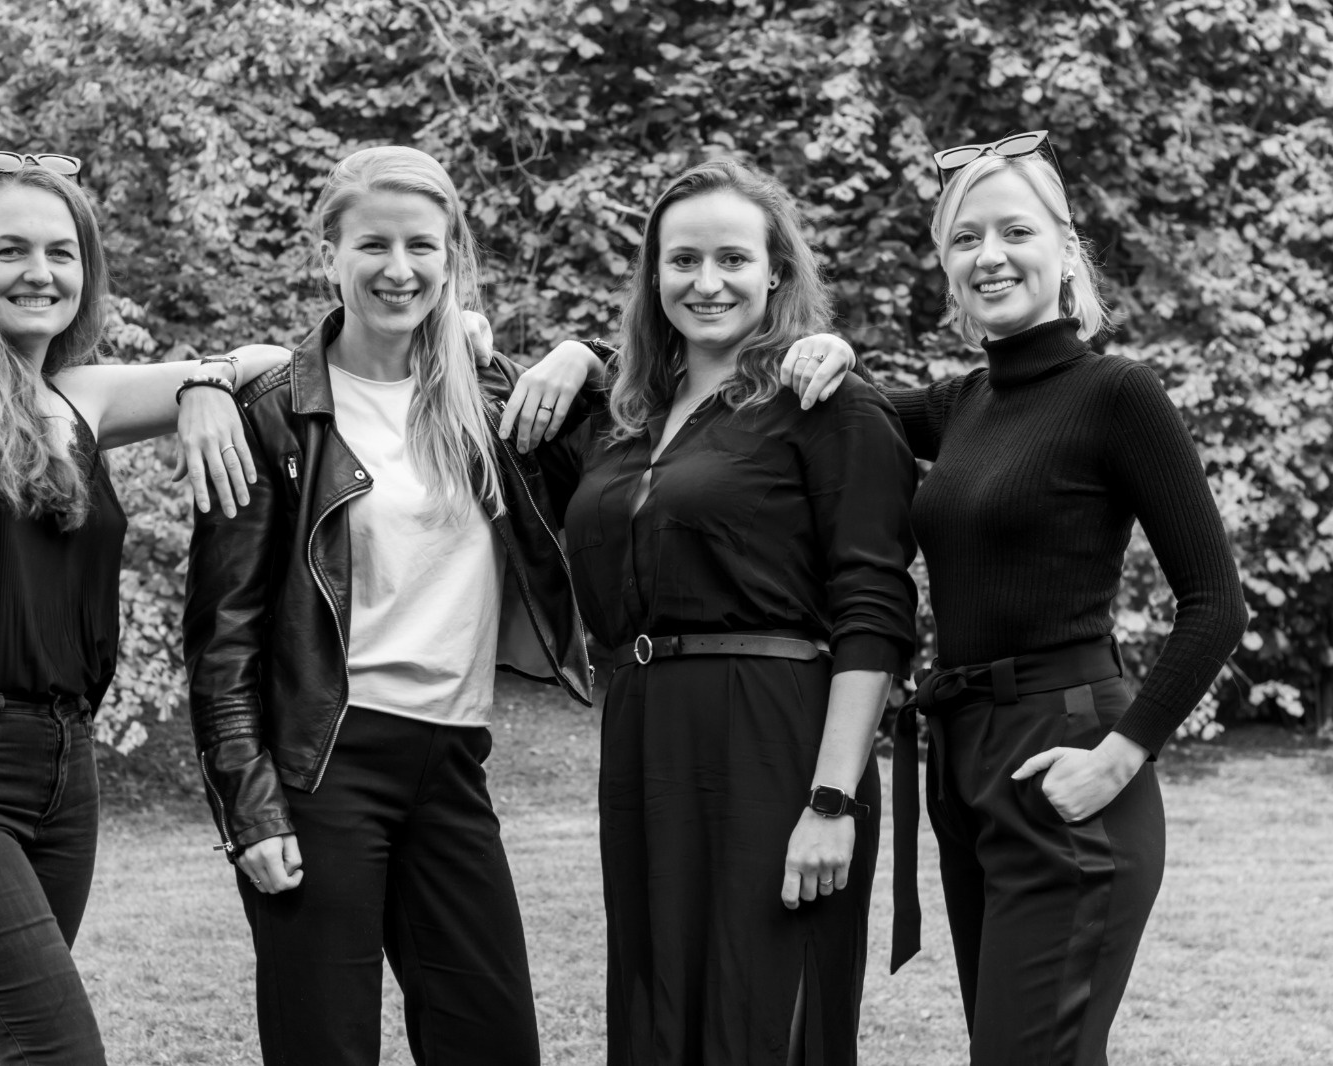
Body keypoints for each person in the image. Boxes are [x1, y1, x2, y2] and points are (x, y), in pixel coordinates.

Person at [0, 150, 292, 1066]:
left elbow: (274, 362)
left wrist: (205, 383)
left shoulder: (82, 398)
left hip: (65, 770)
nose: (39, 273)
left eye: (61, 252)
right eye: (10, 250)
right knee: (58, 1052)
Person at [799, 130, 1249, 1066]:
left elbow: (1216, 601)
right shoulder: (961, 405)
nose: (990, 256)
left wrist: (1120, 758)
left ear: (1066, 249)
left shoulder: (1117, 394)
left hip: (1067, 754)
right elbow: (845, 403)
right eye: (965, 239)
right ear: (947, 266)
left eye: (1015, 231)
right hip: (965, 764)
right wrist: (588, 358)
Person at [182, 144, 600, 1066]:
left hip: (454, 760)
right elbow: (222, 638)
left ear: (452, 258)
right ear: (329, 253)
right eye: (373, 244)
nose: (398, 269)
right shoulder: (272, 413)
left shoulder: (492, 399)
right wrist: (250, 809)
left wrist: (583, 353)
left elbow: (645, 429)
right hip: (324, 763)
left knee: (494, 1042)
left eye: (422, 246)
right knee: (324, 1047)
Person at [533, 159, 919, 1065]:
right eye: (683, 260)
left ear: (775, 271)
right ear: (653, 274)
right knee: (656, 1003)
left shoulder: (825, 403)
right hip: (644, 737)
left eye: (733, 259)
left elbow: (873, 612)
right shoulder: (622, 418)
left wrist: (831, 800)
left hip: (776, 736)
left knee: (762, 1009)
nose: (707, 282)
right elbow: (473, 393)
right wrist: (574, 352)